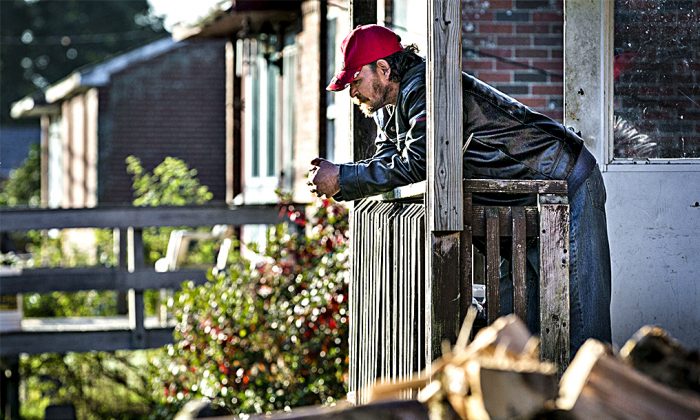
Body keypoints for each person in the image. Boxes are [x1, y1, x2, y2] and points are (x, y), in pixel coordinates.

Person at [309, 24, 611, 354]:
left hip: (567, 184)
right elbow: (388, 159)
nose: (352, 93)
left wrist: (342, 177)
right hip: (523, 203)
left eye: (355, 81)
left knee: (582, 328)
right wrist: (343, 180)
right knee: (527, 337)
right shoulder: (389, 107)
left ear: (383, 68)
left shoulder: (427, 87)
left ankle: (609, 401)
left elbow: (421, 160)